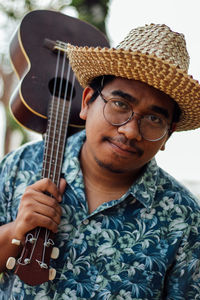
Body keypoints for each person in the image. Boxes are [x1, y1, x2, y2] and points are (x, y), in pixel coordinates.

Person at [0, 23, 200, 300]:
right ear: (87, 101)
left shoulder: (185, 219)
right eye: (119, 104)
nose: (130, 131)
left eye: (154, 119)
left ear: (169, 134)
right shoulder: (19, 167)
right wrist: (16, 229)